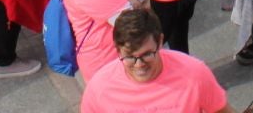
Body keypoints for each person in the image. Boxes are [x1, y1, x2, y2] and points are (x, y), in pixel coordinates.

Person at [80, 6, 236, 113]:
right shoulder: (99, 87)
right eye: (129, 57)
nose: (139, 64)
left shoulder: (194, 74)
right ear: (117, 50)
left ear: (160, 41)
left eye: (147, 54)